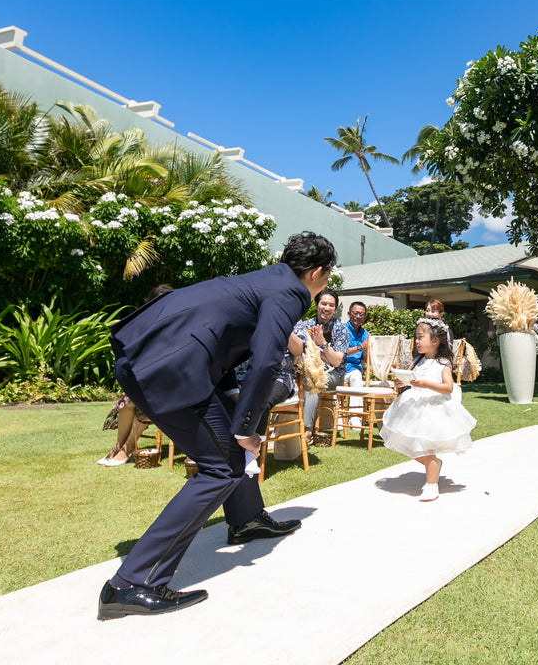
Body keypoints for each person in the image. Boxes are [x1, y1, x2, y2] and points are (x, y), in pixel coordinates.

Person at [97, 232, 337, 620]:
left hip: (155, 359)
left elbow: (224, 344)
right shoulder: (291, 292)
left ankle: (244, 520)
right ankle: (131, 583)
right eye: (327, 276)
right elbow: (263, 359)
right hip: (168, 370)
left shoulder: (266, 277)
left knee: (227, 454)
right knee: (222, 466)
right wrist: (246, 426)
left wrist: (233, 408)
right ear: (316, 273)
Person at [381, 317, 476, 501]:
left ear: (435, 340)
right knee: (410, 446)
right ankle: (434, 464)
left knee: (426, 446)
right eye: (416, 337)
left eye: (420, 337)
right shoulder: (416, 361)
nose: (416, 341)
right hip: (412, 407)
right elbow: (410, 378)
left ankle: (431, 484)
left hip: (433, 409)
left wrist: (425, 384)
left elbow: (448, 387)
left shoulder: (442, 363)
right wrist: (401, 380)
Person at [98, 285, 173, 466]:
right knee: (127, 402)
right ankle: (118, 447)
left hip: (169, 382)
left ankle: (127, 448)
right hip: (149, 377)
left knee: (143, 403)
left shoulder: (174, 322)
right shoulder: (145, 323)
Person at [291, 289, 350, 430]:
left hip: (333, 375)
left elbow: (336, 362)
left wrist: (323, 343)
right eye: (324, 304)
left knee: (312, 382)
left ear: (335, 308)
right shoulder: (305, 326)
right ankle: (279, 429)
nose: (327, 308)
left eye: (331, 305)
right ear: (317, 305)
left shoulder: (341, 329)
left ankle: (306, 431)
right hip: (304, 369)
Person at [342, 302, 370, 387]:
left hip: (355, 369)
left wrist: (366, 348)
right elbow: (340, 352)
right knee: (356, 376)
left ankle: (355, 401)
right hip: (340, 369)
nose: (358, 316)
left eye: (361, 314)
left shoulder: (365, 334)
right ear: (349, 314)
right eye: (355, 313)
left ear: (364, 317)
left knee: (356, 375)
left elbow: (365, 359)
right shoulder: (341, 329)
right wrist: (360, 347)